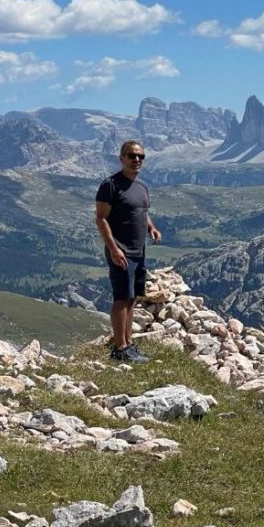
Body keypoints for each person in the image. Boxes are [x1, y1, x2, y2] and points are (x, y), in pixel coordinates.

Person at [95, 140, 161, 363]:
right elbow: (101, 218)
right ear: (121, 158)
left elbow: (142, 211)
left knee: (132, 298)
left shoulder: (142, 187)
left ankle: (129, 344)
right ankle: (120, 348)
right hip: (121, 250)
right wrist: (113, 249)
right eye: (132, 156)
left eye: (141, 156)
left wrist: (151, 227)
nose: (137, 160)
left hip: (138, 250)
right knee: (121, 298)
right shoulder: (110, 185)